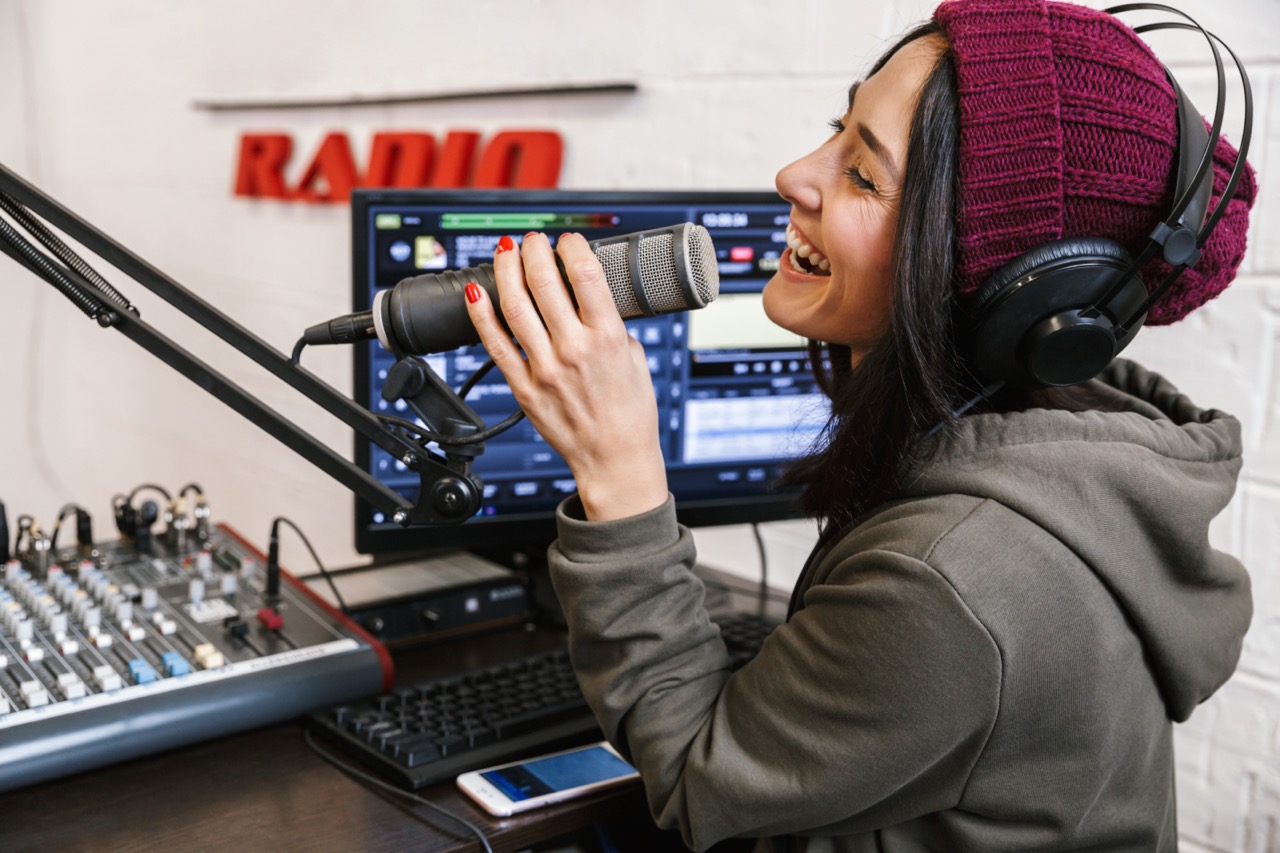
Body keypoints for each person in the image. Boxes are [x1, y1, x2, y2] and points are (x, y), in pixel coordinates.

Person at [463, 0, 1256, 849]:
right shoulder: (1053, 459)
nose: (794, 174)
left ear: (1003, 292)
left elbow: (699, 774)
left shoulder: (958, 576)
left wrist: (618, 468)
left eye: (863, 174)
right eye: (836, 131)